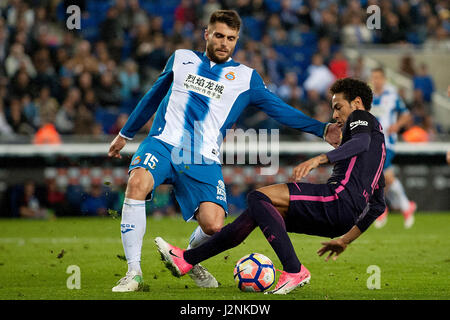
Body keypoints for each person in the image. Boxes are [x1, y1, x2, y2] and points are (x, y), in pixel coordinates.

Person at [108, 10, 341, 292]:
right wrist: (125, 134)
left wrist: (321, 129)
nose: (224, 43)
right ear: (207, 34)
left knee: (214, 225)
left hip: (202, 156)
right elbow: (153, 95)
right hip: (163, 142)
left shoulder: (246, 78)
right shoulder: (182, 59)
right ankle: (134, 272)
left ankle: (188, 259)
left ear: (237, 40)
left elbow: (279, 110)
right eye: (218, 35)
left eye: (231, 38)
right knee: (138, 182)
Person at [155, 77, 387, 295]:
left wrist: (320, 159)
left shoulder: (362, 118)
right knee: (256, 211)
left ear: (356, 103)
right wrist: (344, 240)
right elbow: (377, 205)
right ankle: (187, 260)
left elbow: (360, 141)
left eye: (339, 107)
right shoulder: (380, 150)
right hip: (342, 218)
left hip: (335, 200)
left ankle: (294, 270)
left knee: (258, 197)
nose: (335, 114)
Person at [369, 68, 416, 229]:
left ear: (384, 79)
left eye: (378, 77)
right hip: (371, 144)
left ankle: (382, 208)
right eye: (373, 77)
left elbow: (406, 115)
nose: (376, 80)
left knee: (380, 174)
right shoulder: (368, 98)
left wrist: (397, 125)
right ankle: (406, 206)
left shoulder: (392, 96)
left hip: (387, 143)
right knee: (387, 176)